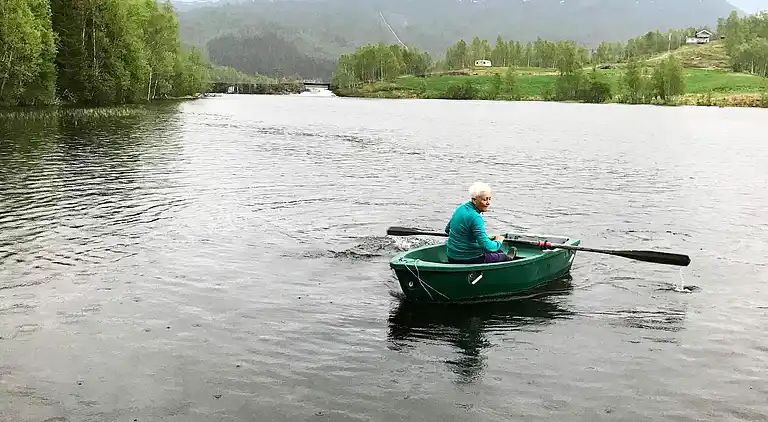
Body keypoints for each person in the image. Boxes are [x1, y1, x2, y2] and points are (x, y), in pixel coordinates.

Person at [444, 182, 515, 264]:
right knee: (503, 256)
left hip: (451, 256)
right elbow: (486, 246)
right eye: (484, 199)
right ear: (474, 200)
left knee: (496, 250)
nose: (488, 203)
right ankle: (509, 260)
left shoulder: (460, 208)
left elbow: (447, 230)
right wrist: (498, 241)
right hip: (469, 259)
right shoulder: (475, 217)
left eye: (489, 199)